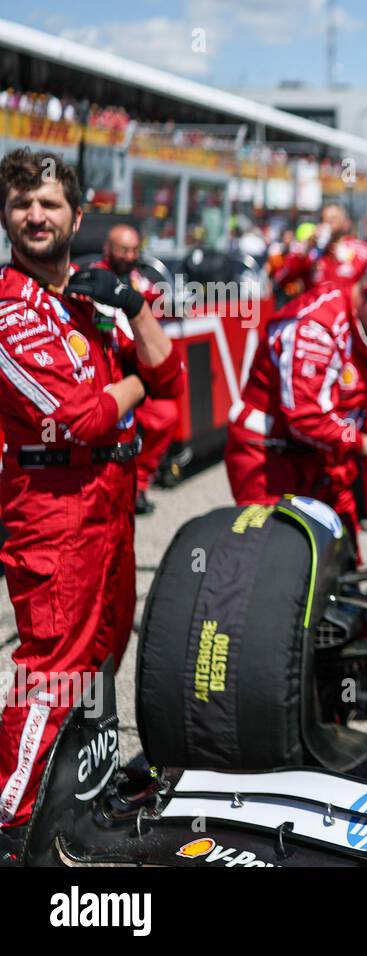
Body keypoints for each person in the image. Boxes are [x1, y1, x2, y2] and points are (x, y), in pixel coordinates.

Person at [0, 149, 182, 847]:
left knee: (104, 651)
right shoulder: (12, 309)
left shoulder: (100, 291)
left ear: (78, 216)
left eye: (48, 203)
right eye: (21, 204)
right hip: (53, 503)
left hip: (111, 494)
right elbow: (78, 418)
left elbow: (171, 371)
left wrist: (132, 304)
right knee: (52, 667)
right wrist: (134, 384)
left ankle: (84, 781)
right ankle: (13, 823)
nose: (34, 215)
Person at [224, 259, 367, 550]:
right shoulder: (314, 327)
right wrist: (365, 445)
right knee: (274, 557)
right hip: (270, 457)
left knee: (339, 553)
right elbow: (304, 419)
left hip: (324, 457)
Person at [93, 223, 184, 515]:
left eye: (134, 250)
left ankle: (140, 484)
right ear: (108, 249)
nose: (130, 255)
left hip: (136, 368)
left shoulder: (137, 279)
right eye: (123, 249)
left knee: (167, 414)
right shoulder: (92, 278)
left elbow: (158, 302)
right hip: (103, 372)